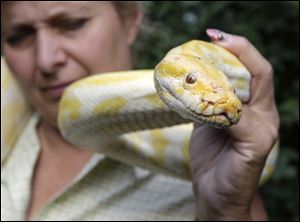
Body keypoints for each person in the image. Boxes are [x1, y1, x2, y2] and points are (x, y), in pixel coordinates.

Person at [1, 2, 279, 221]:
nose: (46, 60)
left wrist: (224, 212)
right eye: (18, 36)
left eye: (72, 24)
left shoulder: (214, 163)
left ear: (130, 21)